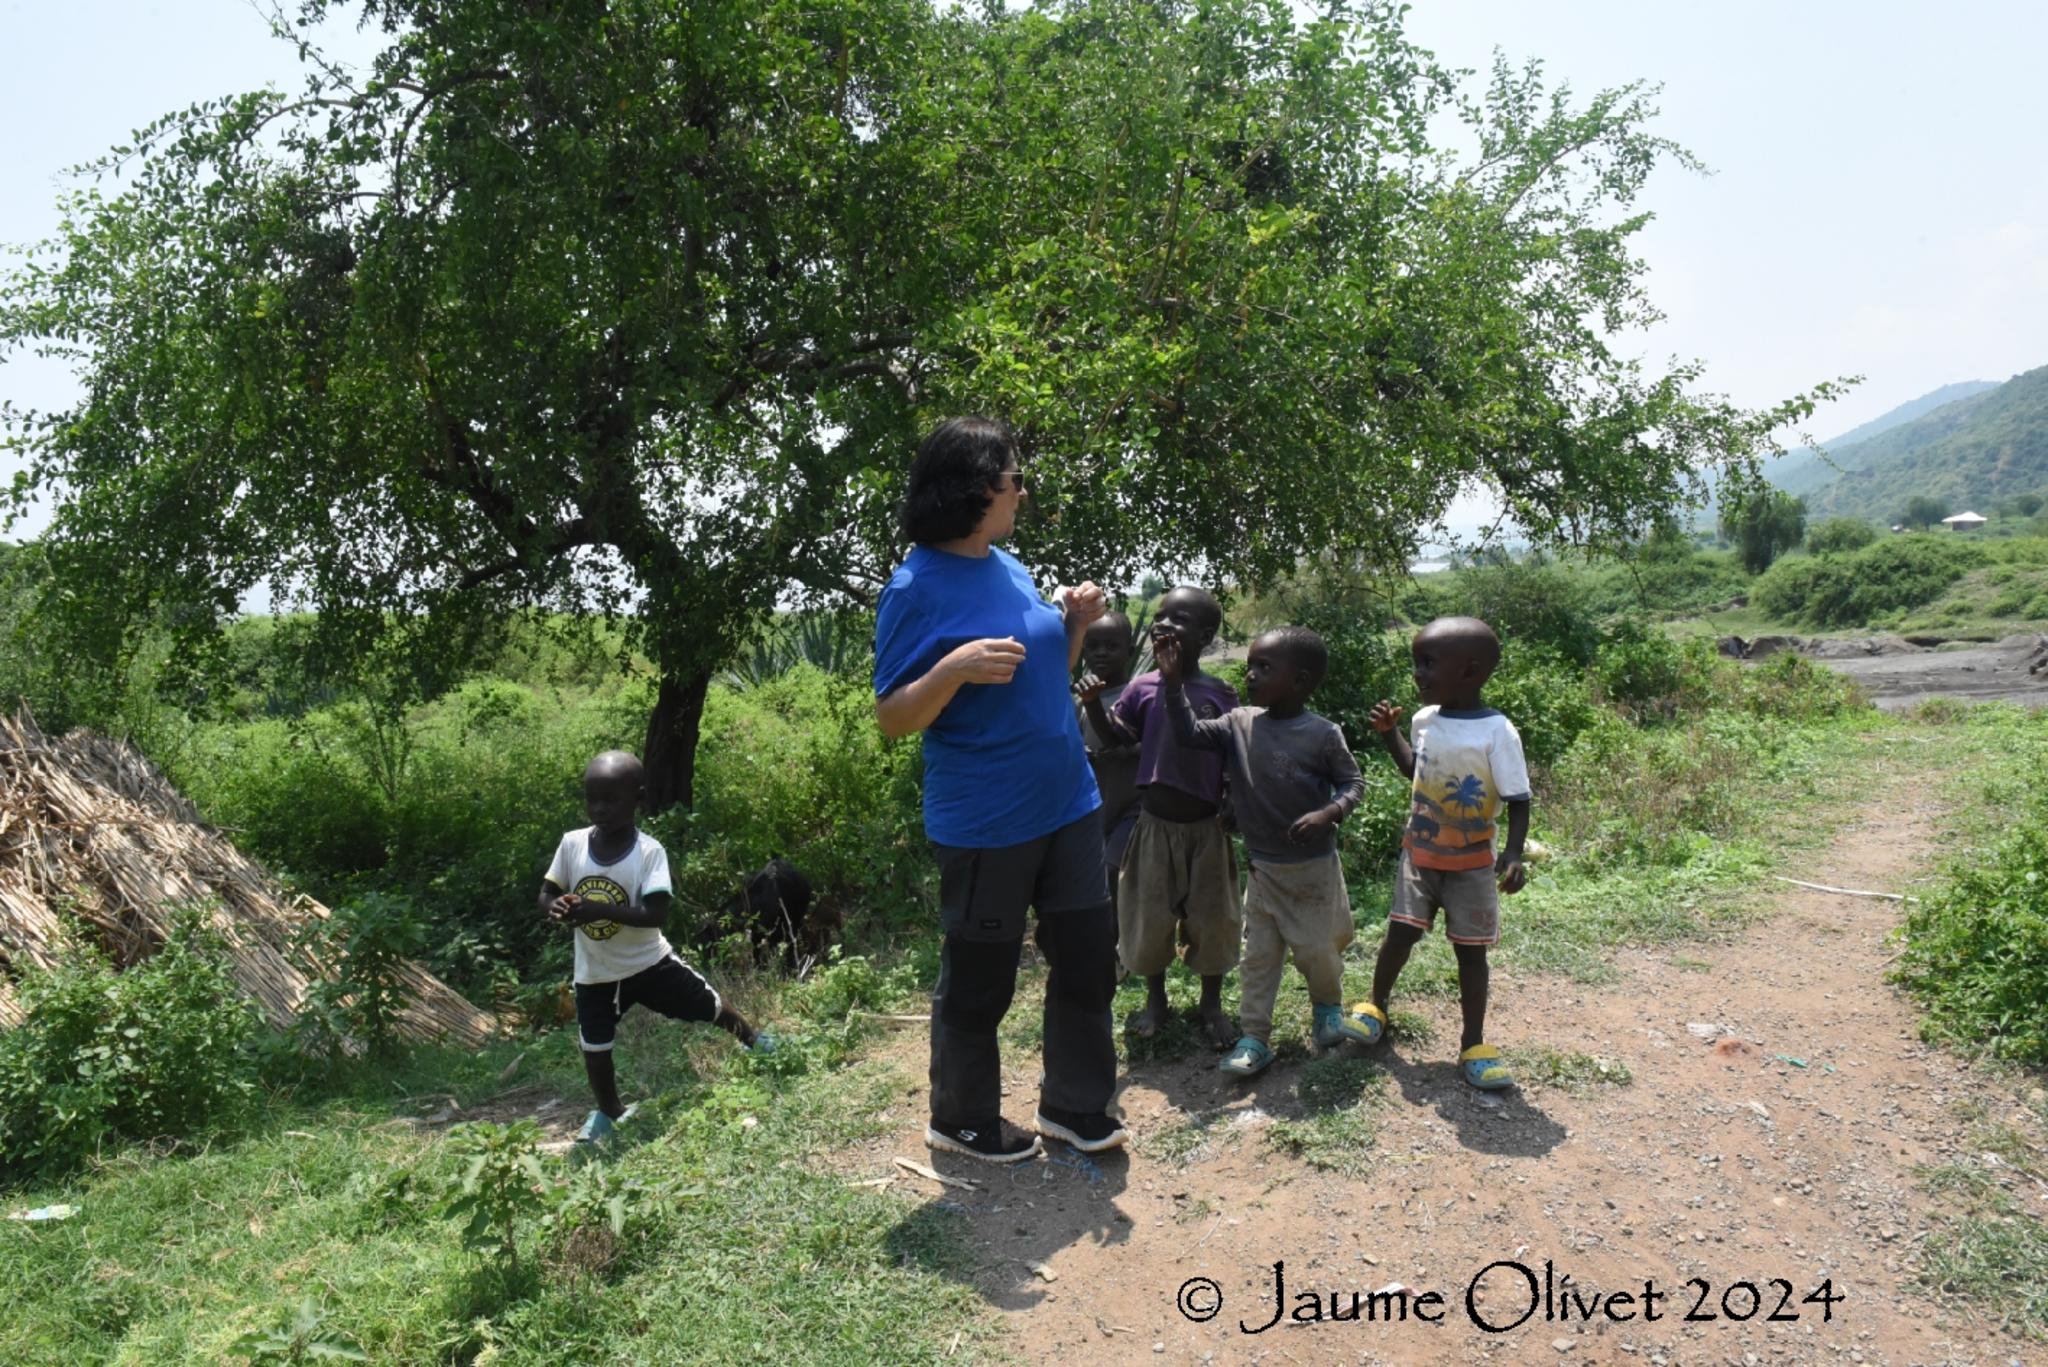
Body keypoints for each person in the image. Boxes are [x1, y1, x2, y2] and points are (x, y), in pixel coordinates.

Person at [873, 416, 1128, 1163]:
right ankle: (961, 1117)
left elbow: (1041, 672)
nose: (1022, 490)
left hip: (1069, 801)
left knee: (1086, 957)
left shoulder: (1006, 562)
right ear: (982, 487)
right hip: (987, 818)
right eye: (1016, 478)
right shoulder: (913, 586)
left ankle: (1077, 1106)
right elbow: (893, 717)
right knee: (981, 979)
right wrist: (951, 668)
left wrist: (1073, 624)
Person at [1154, 625, 1378, 1076]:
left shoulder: (1322, 733)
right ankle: (1255, 1036)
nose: (1250, 674)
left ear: (1299, 681)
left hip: (1312, 871)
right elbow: (1189, 735)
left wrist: (1329, 812)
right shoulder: (1239, 723)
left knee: (1318, 950)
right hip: (1263, 871)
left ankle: (1328, 1011)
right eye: (1251, 664)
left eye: (1264, 667)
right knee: (1258, 959)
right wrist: (1173, 684)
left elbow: (1353, 783)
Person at [540, 750, 772, 1145]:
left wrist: (596, 907)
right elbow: (547, 893)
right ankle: (610, 1112)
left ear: (639, 799)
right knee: (594, 1047)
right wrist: (556, 907)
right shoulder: (572, 844)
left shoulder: (648, 852)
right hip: (594, 973)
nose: (599, 808)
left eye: (611, 799)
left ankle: (756, 1042)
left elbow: (655, 913)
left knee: (710, 1006)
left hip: (649, 964)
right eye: (592, 798)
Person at [1352, 617, 1532, 1091]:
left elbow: (1518, 798)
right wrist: (1391, 735)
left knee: (1471, 955)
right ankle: (1376, 1007)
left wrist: (1512, 854)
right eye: (1417, 663)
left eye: (1428, 664)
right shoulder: (1423, 720)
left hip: (1472, 864)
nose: (1418, 674)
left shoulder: (1497, 731)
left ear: (1470, 672)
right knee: (1399, 935)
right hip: (1420, 855)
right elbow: (1415, 771)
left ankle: (1473, 1042)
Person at [1080, 587, 1242, 1048]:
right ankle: (1156, 1000)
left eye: (1181, 619)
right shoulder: (1140, 687)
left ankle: (1211, 1005)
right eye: (1163, 616)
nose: (1166, 624)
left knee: (1212, 919)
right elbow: (1115, 738)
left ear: (1206, 637)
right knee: (1149, 917)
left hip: (1206, 829)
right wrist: (1094, 704)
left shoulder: (1218, 693)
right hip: (1153, 827)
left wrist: (1232, 798)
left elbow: (1234, 753)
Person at [1075, 612, 1142, 903]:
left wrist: (1120, 753)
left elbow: (1154, 745)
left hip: (1133, 806)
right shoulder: (1078, 700)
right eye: (1093, 646)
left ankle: (1118, 941)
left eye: (1111, 646)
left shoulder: (1140, 695)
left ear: (1129, 651)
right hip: (1093, 808)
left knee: (1112, 873)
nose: (1101, 653)